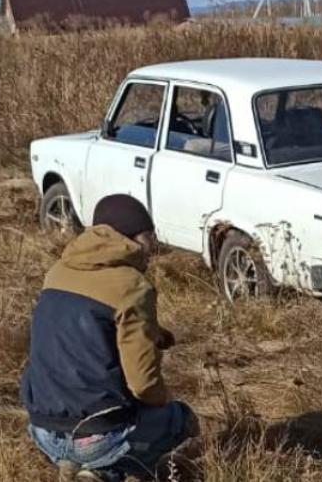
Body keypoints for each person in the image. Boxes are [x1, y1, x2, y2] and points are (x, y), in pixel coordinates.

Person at [21, 195, 199, 482]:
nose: (154, 246)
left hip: (43, 430)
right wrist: (164, 398)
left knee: (109, 420)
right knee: (179, 419)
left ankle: (74, 463)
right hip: (96, 435)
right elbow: (144, 385)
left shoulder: (56, 273)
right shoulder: (133, 286)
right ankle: (103, 470)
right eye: (150, 235)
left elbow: (86, 326)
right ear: (131, 236)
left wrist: (153, 332)